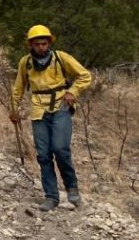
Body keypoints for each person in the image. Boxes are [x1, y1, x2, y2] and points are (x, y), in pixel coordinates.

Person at [9, 25, 92, 211]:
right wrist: (14, 110)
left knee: (60, 149)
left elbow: (85, 76)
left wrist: (73, 91)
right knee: (43, 155)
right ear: (31, 44)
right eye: (37, 44)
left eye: (44, 43)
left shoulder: (60, 58)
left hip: (61, 106)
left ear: (49, 43)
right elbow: (18, 88)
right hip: (38, 110)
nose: (41, 47)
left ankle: (72, 188)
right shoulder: (26, 63)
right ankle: (51, 196)